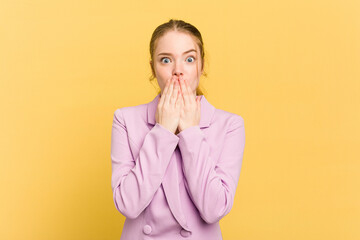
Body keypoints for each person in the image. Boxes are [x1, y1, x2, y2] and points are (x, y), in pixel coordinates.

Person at [110, 19, 246, 240]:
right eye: (166, 60)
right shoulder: (125, 119)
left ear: (201, 66)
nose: (178, 71)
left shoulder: (229, 124)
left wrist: (191, 133)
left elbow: (214, 210)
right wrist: (163, 130)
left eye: (189, 59)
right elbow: (128, 204)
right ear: (153, 68)